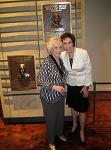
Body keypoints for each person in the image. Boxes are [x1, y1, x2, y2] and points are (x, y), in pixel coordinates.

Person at [60, 32, 92, 145]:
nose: (67, 46)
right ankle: (74, 125)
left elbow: (88, 70)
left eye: (69, 42)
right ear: (63, 45)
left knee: (82, 109)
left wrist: (86, 87)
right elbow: (62, 71)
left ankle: (82, 130)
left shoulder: (83, 53)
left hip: (82, 85)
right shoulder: (62, 55)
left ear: (73, 43)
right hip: (71, 85)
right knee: (73, 107)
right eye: (65, 43)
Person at [38, 36, 67, 150]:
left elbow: (63, 75)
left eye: (60, 47)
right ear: (50, 49)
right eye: (56, 48)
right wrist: (55, 87)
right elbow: (40, 80)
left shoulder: (60, 60)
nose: (59, 50)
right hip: (48, 96)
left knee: (60, 117)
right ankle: (51, 141)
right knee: (51, 119)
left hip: (60, 95)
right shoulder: (47, 62)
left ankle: (59, 134)